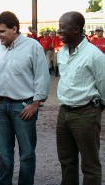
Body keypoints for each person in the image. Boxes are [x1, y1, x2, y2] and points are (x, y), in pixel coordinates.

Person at [0, 11, 50, 185]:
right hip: (1, 107)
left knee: (27, 153)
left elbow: (42, 77)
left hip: (24, 107)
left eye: (1, 31)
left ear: (14, 29)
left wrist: (35, 103)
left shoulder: (32, 47)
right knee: (3, 153)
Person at [56, 11, 105, 185]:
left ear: (76, 29)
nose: (58, 31)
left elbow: (104, 85)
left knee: (90, 164)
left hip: (86, 113)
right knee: (67, 161)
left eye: (62, 27)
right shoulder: (62, 52)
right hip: (64, 112)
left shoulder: (94, 55)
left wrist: (96, 109)